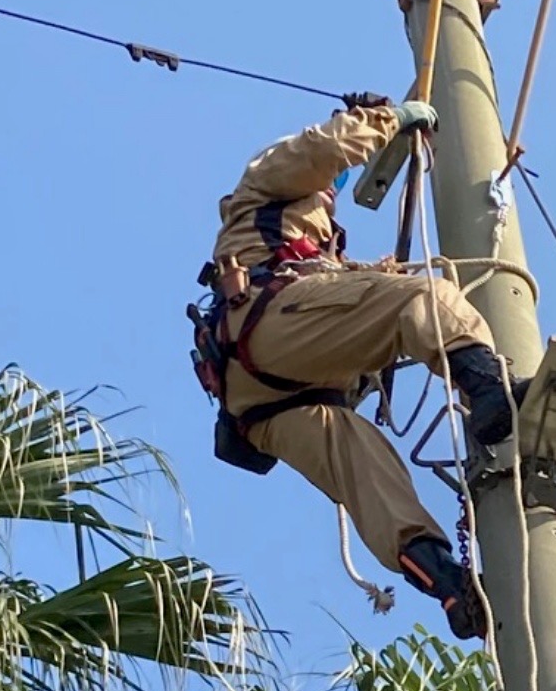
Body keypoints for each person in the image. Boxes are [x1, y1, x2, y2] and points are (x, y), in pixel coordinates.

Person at [199, 97, 518, 640]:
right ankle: (491, 390)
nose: (333, 194)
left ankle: (447, 584)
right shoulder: (265, 185)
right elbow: (324, 149)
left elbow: (346, 300)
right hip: (270, 327)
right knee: (423, 299)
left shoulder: (313, 248)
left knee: (369, 472)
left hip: (263, 403)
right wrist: (390, 119)